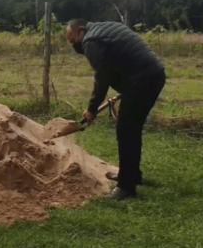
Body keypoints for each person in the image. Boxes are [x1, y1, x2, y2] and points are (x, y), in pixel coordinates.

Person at [65, 19, 166, 200]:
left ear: (81, 31)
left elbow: (102, 77)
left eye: (73, 41)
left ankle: (126, 188)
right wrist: (125, 90)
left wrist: (91, 110)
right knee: (130, 130)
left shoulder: (90, 41)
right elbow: (119, 60)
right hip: (151, 74)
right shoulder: (105, 27)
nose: (75, 46)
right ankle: (131, 176)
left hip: (143, 79)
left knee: (126, 131)